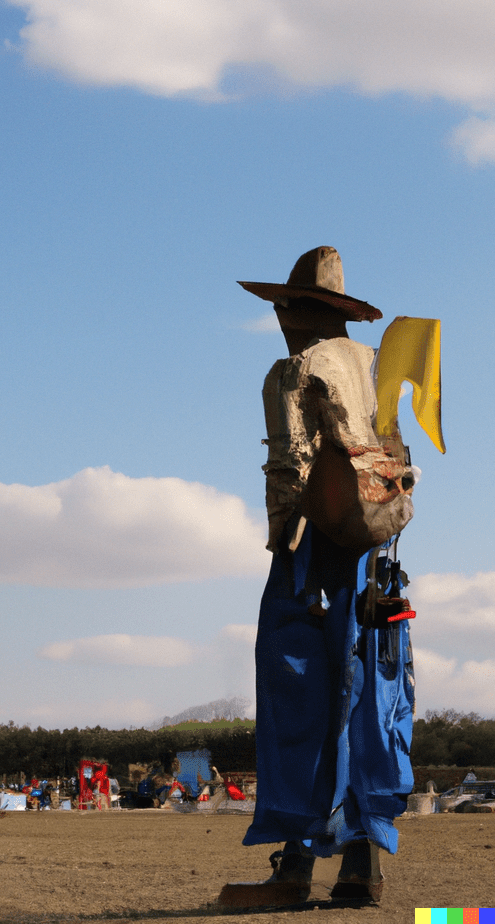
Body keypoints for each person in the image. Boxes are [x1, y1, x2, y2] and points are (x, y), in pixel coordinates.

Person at [221, 247, 417, 907]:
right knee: (371, 699)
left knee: (297, 697)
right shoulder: (378, 364)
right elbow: (398, 460)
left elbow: (290, 467)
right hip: (376, 557)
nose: (279, 319)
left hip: (310, 556)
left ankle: (295, 867)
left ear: (300, 310)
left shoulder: (294, 369)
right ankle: (364, 865)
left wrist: (285, 546)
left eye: (284, 307)